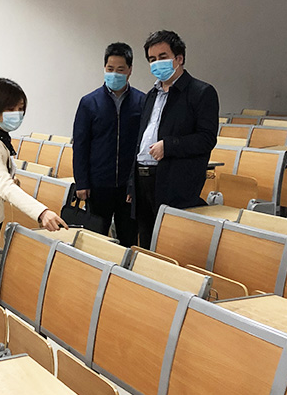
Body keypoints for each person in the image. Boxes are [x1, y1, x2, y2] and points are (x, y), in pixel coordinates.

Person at [0, 77, 67, 318]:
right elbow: (4, 186)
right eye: (11, 108)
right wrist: (42, 212)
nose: (17, 114)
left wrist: (8, 179)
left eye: (21, 109)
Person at [131, 30, 219, 248]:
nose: (156, 63)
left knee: (169, 245)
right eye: (152, 59)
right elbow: (140, 140)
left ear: (179, 58)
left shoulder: (201, 92)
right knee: (146, 243)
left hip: (174, 182)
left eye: (162, 57)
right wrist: (131, 184)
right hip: (143, 180)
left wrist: (169, 146)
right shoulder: (151, 95)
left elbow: (206, 139)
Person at [72, 42, 145, 246]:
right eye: (110, 68)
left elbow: (143, 145)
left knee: (128, 240)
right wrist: (82, 182)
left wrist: (137, 184)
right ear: (104, 68)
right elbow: (80, 145)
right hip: (98, 184)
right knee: (96, 241)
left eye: (120, 69)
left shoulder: (142, 101)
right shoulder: (89, 102)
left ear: (130, 70)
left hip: (128, 187)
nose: (114, 74)